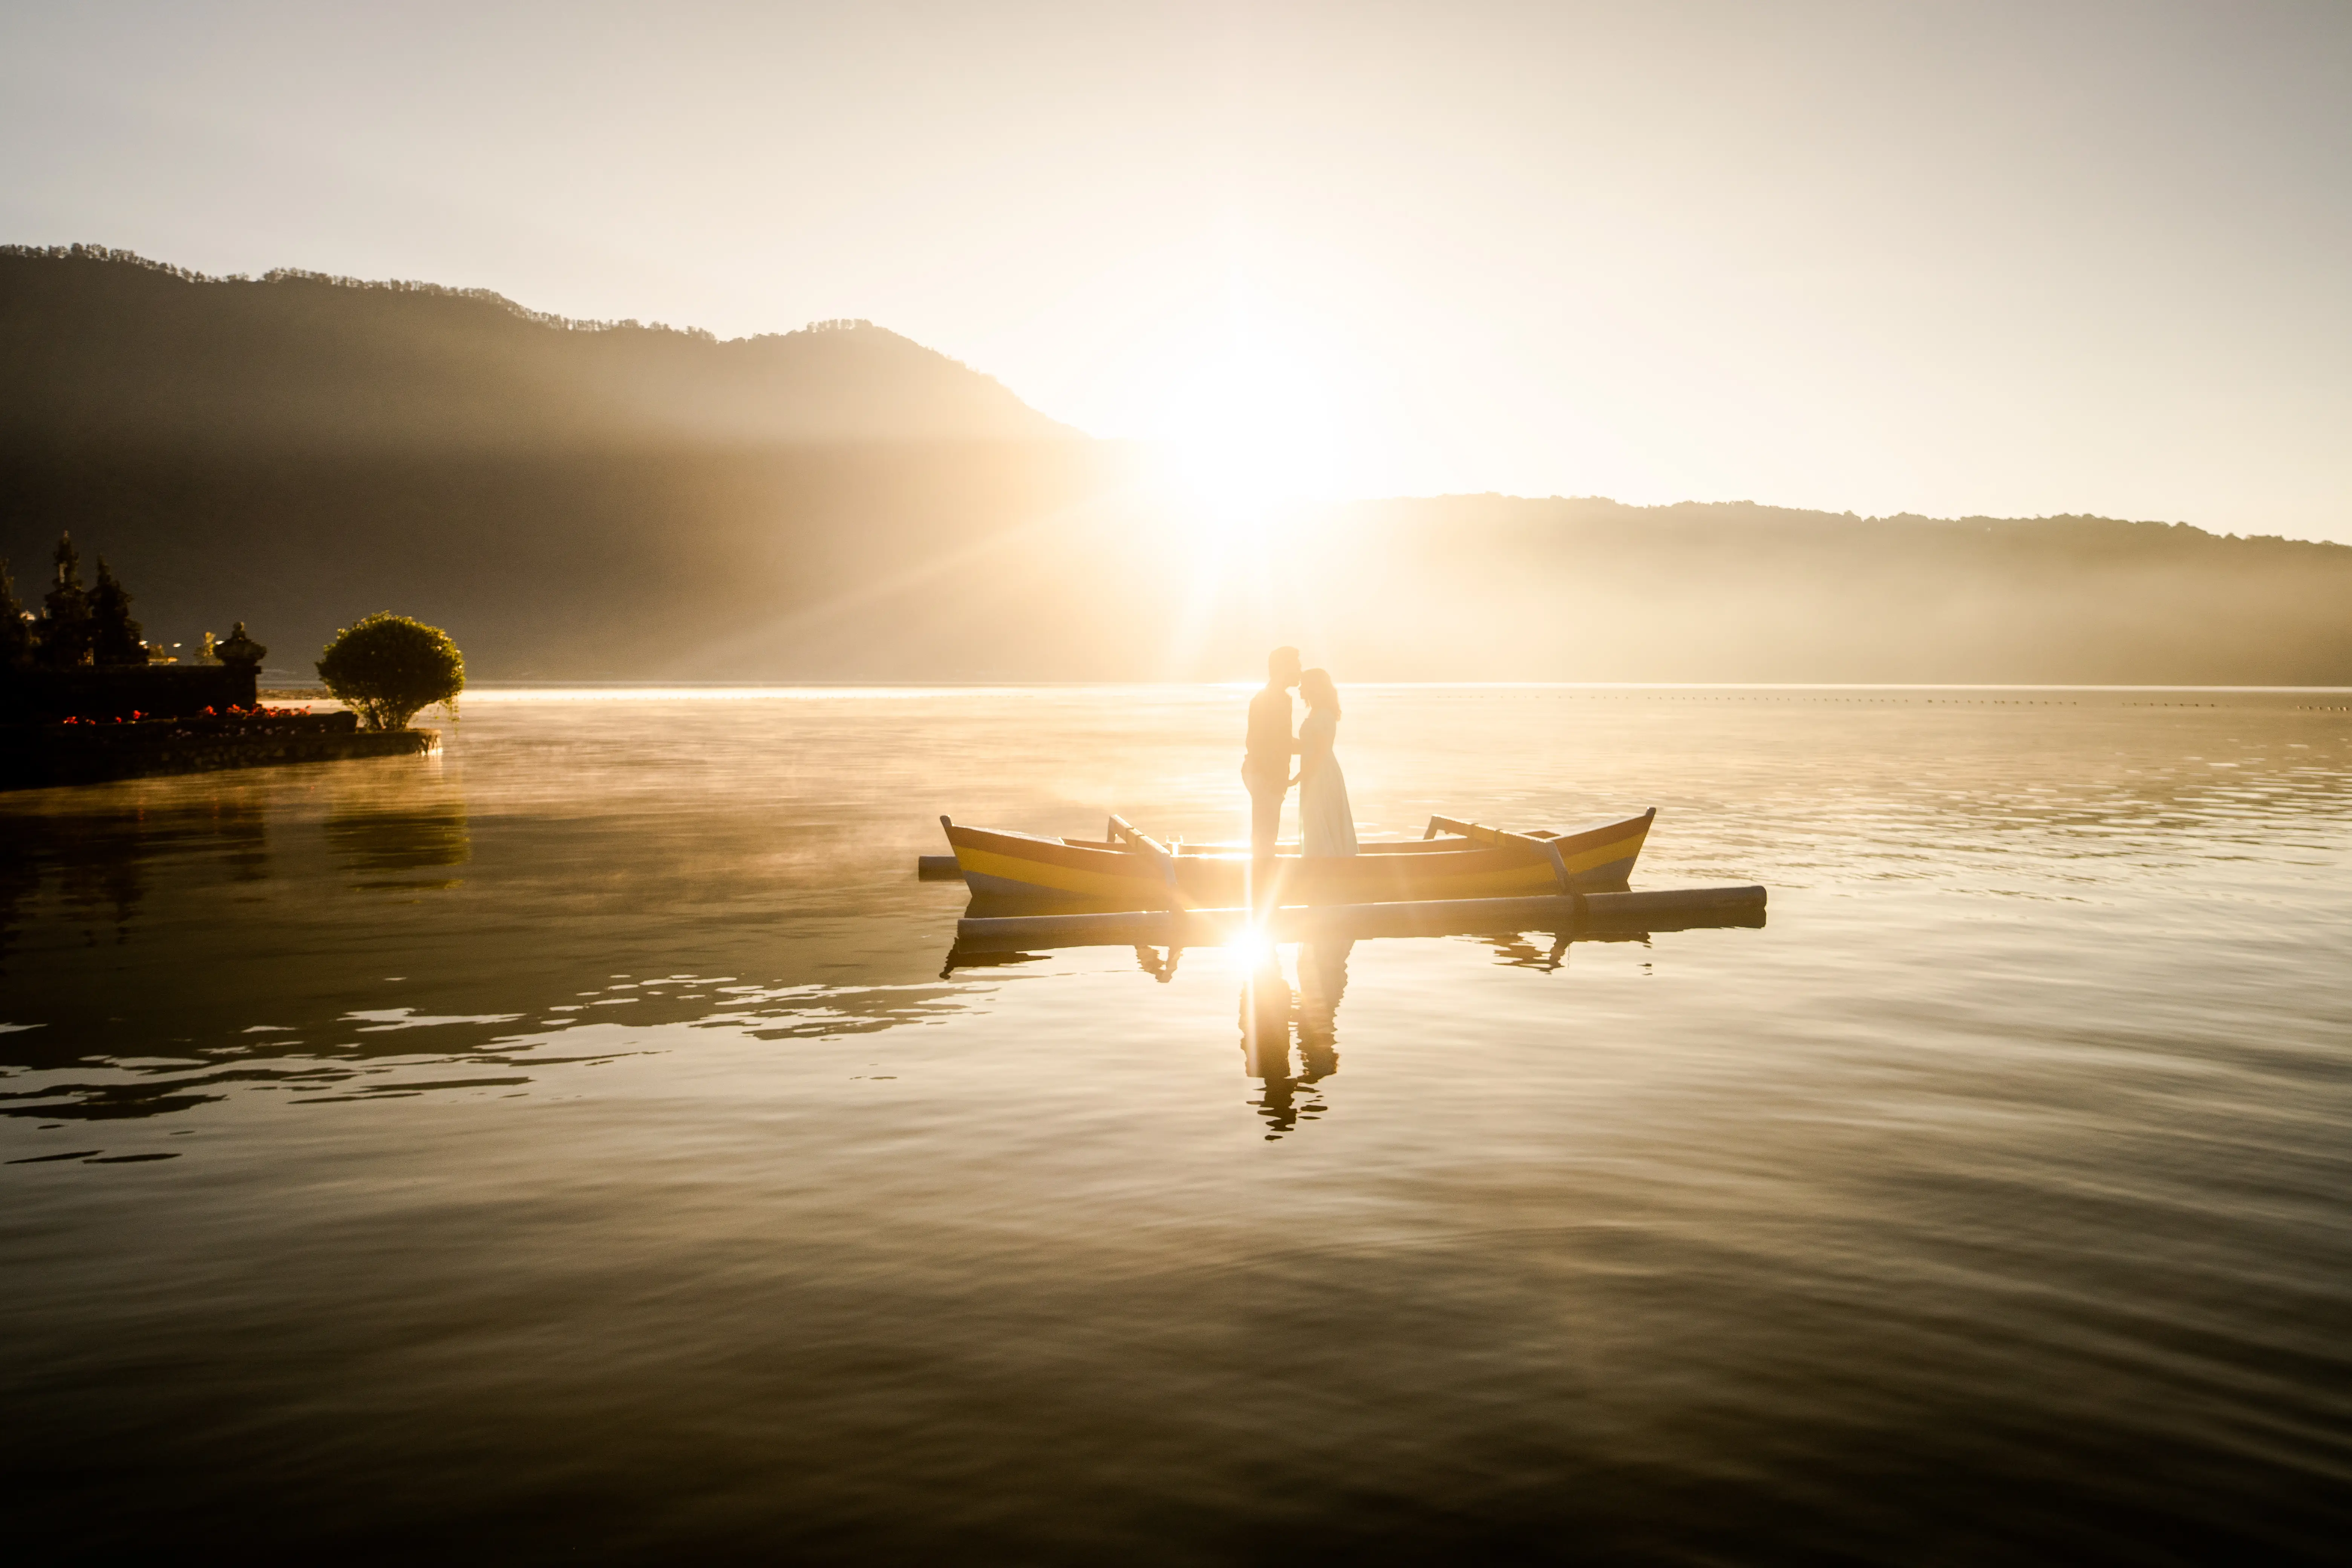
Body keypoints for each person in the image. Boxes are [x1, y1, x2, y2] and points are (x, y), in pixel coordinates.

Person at [1243, 646, 1303, 865]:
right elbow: (1260, 743)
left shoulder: (1281, 698)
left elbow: (1280, 741)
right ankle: (1262, 875)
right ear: (1284, 669)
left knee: (1266, 835)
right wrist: (1274, 779)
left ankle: (1263, 870)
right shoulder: (1269, 700)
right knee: (1264, 836)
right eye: (1297, 666)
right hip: (1264, 775)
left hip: (1267, 775)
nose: (1300, 671)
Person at [1294, 668, 1357, 858]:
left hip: (1322, 773)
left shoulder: (1323, 714)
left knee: (1318, 815)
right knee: (1316, 816)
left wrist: (1298, 777)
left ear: (1314, 687)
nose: (1299, 688)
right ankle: (1321, 860)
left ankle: (1325, 862)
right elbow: (1308, 747)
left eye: (1303, 684)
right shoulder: (1316, 712)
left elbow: (1320, 752)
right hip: (1315, 772)